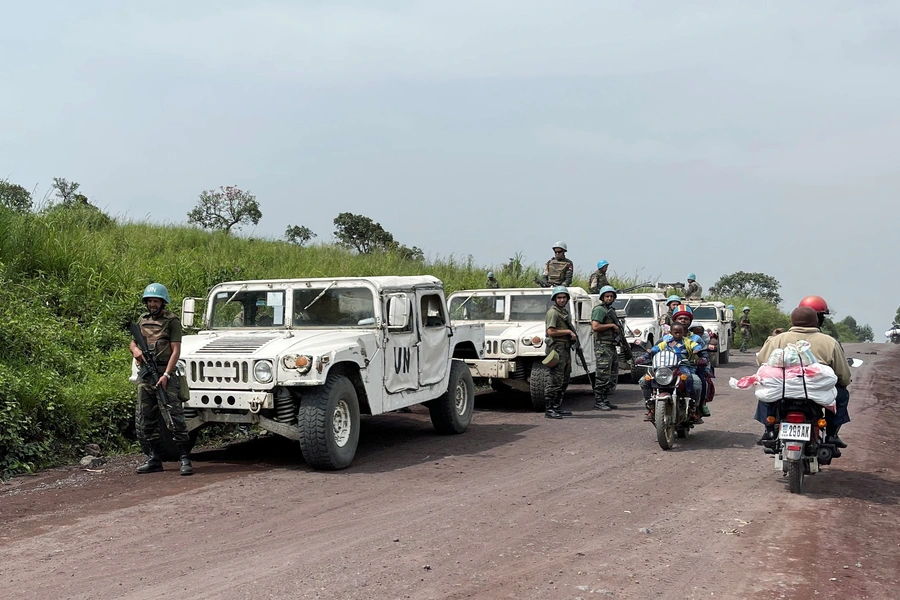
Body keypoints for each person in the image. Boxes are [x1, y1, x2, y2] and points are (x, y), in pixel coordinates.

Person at [754, 304, 852, 455]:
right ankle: (832, 435)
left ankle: (769, 431)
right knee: (842, 394)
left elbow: (761, 361)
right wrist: (843, 383)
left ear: (793, 321)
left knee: (765, 392)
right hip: (816, 392)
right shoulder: (829, 342)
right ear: (816, 321)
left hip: (784, 390)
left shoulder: (777, 340)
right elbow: (842, 375)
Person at [130, 283, 194, 476]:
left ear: (162, 302)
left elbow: (176, 350)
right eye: (149, 301)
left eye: (155, 301)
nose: (152, 304)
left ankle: (185, 458)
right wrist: (136, 351)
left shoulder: (171, 321)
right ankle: (154, 458)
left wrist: (166, 374)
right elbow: (133, 342)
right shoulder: (143, 320)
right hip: (146, 375)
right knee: (146, 418)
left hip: (164, 374)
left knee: (174, 417)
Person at [637, 322, 702, 421]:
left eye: (680, 332)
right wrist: (645, 355)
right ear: (671, 332)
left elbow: (696, 346)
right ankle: (651, 406)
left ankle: (691, 404)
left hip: (682, 366)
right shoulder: (666, 343)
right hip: (665, 368)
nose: (678, 334)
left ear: (684, 332)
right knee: (645, 380)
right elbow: (655, 349)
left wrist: (696, 350)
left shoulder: (687, 342)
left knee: (691, 379)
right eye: (675, 332)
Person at [543, 286, 577, 419]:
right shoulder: (553, 313)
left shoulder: (563, 312)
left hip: (565, 348)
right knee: (555, 379)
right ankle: (549, 408)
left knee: (564, 379)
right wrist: (568, 332)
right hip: (557, 349)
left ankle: (557, 406)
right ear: (554, 299)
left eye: (564, 297)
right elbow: (550, 331)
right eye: (559, 297)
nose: (562, 300)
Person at [590, 285, 621, 411]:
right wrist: (611, 326)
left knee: (611, 375)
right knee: (602, 374)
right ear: (602, 297)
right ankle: (598, 401)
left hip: (611, 345)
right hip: (603, 346)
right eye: (607, 296)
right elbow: (595, 327)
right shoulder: (600, 310)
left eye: (611, 296)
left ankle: (604, 399)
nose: (609, 298)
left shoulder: (610, 310)